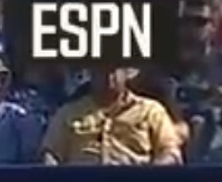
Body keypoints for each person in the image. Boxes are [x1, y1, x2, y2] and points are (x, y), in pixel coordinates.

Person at [42, 67, 181, 165]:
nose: (108, 77)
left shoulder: (151, 111)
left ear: (128, 73)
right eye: (101, 70)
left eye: (114, 70)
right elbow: (51, 154)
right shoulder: (68, 113)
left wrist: (152, 176)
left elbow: (171, 153)